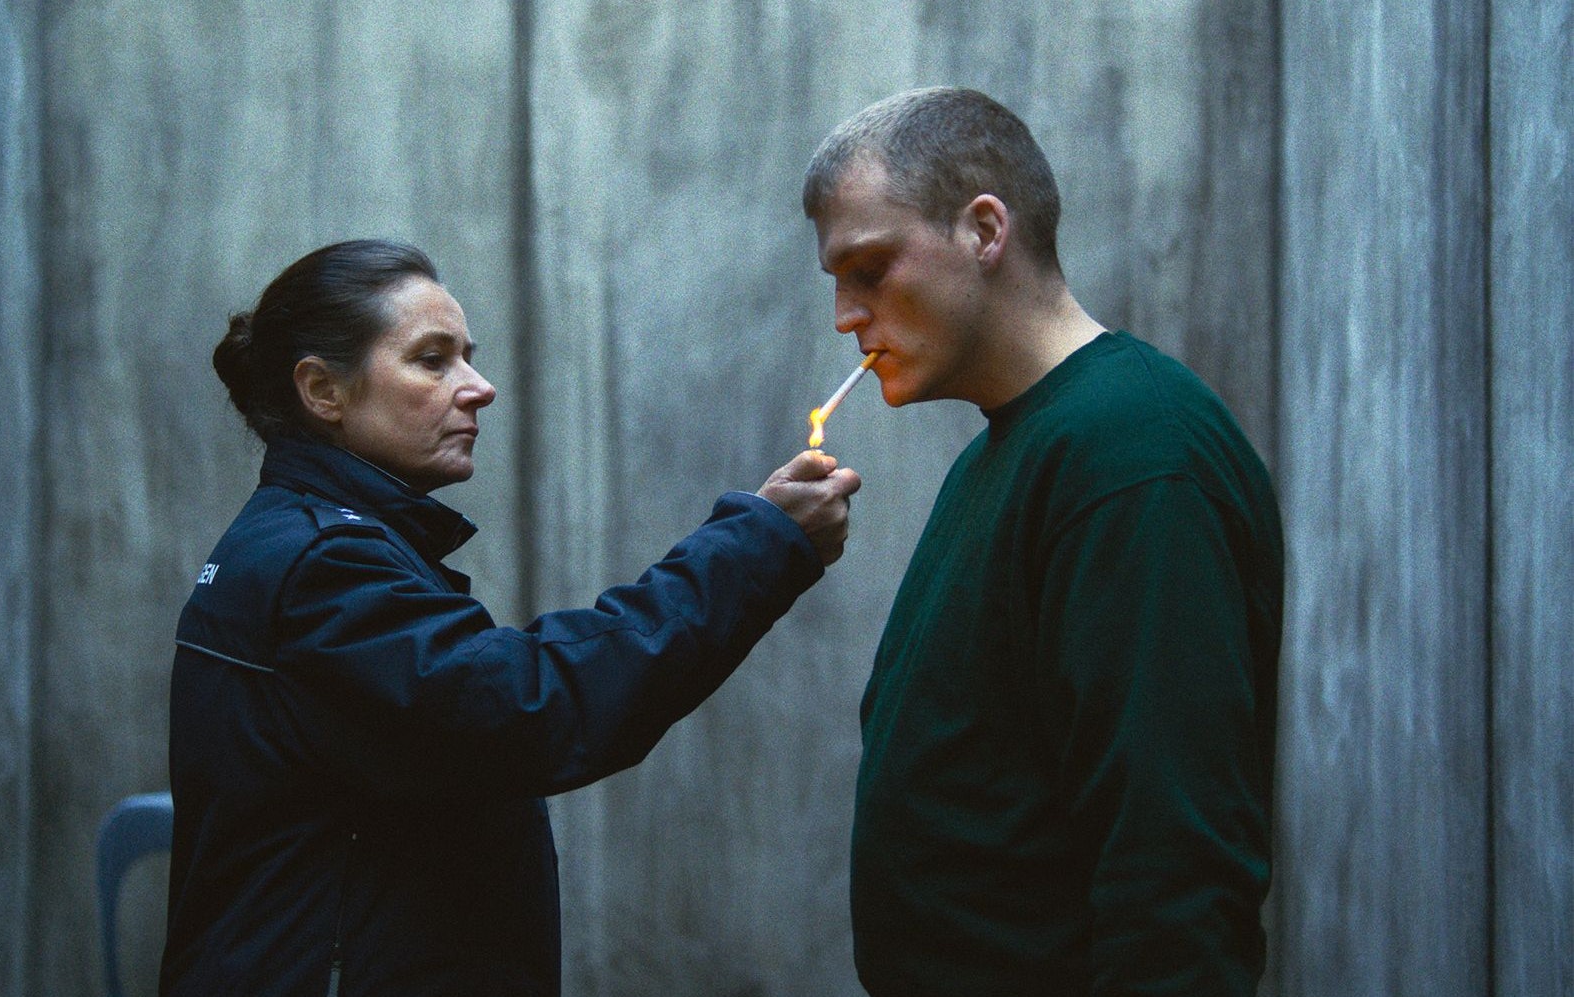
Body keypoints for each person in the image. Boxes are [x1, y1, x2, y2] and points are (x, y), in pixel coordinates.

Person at [158, 238, 860, 996]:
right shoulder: (323, 565)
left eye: (468, 357)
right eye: (433, 360)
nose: (480, 387)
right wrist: (760, 548)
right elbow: (534, 706)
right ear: (323, 390)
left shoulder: (296, 538)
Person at [802, 87, 1284, 995]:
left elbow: (1176, 874)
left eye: (869, 268)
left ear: (985, 230)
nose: (844, 315)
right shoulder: (1013, 451)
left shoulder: (1135, 457)